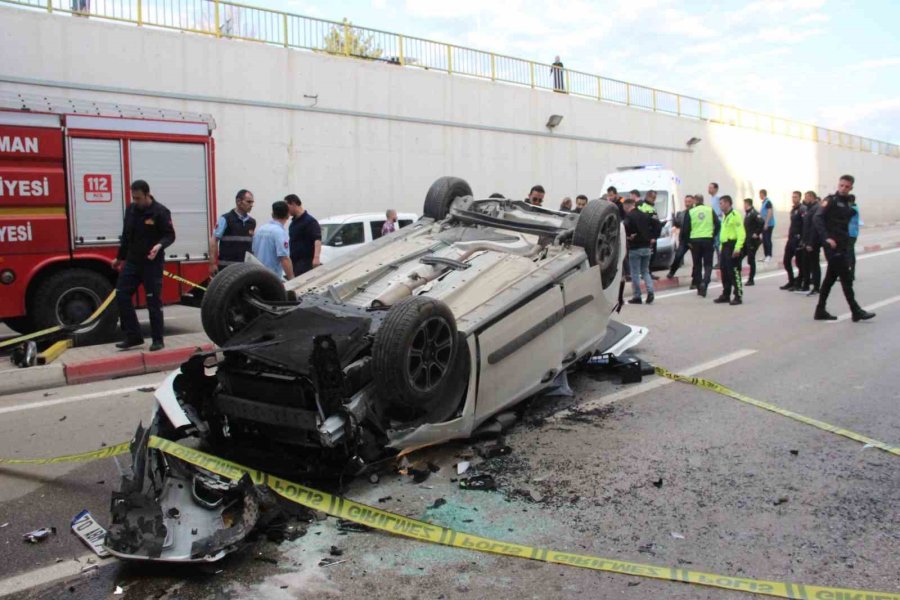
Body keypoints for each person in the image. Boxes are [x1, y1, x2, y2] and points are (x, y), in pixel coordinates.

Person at [113, 180, 175, 352]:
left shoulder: (160, 212)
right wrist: (119, 258)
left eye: (138, 198)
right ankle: (133, 336)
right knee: (122, 294)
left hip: (151, 264)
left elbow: (170, 235)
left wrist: (159, 246)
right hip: (132, 262)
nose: (136, 201)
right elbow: (126, 236)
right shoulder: (131, 210)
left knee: (153, 301)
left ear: (148, 195)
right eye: (133, 197)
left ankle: (157, 340)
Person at [813, 175, 874, 322]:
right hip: (832, 246)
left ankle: (820, 310)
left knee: (830, 279)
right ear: (838, 185)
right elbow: (817, 218)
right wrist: (826, 238)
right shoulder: (831, 200)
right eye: (841, 185)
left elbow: (845, 221)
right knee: (846, 278)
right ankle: (856, 310)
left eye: (847, 187)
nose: (843, 188)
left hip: (843, 245)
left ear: (851, 188)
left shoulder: (847, 203)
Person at [682, 194, 720, 297]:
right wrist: (713, 234)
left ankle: (699, 287)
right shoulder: (709, 210)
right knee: (708, 264)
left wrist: (688, 241)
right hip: (708, 239)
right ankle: (705, 282)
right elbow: (718, 224)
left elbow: (685, 229)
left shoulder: (691, 211)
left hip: (695, 240)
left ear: (695, 201)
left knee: (697, 264)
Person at [211, 189, 256, 274]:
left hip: (244, 269)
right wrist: (212, 263)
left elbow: (251, 246)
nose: (251, 205)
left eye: (252, 202)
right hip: (227, 269)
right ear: (238, 201)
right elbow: (214, 240)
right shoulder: (225, 219)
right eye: (248, 202)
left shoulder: (252, 222)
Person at [713, 196, 745, 305]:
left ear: (727, 203)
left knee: (734, 272)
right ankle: (726, 294)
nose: (720, 205)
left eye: (721, 203)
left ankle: (738, 295)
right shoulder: (725, 216)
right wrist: (722, 247)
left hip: (732, 245)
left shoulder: (735, 216)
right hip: (725, 246)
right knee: (725, 272)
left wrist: (737, 248)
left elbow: (741, 233)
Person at [622, 198, 655, 304]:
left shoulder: (629, 216)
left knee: (635, 273)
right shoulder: (644, 215)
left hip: (635, 248)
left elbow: (624, 227)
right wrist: (653, 236)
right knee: (645, 271)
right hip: (646, 246)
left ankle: (637, 296)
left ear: (626, 206)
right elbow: (657, 224)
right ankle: (650, 291)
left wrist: (628, 236)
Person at [252, 201, 294, 280]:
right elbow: (284, 258)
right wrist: (292, 278)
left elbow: (253, 252)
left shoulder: (260, 229)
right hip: (272, 278)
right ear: (288, 215)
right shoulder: (280, 232)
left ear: (272, 214)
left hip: (257, 275)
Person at [285, 194, 322, 275]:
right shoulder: (293, 223)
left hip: (306, 263)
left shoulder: (310, 221)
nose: (286, 210)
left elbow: (317, 239)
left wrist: (316, 258)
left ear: (294, 204)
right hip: (295, 263)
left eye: (287, 206)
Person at [780, 191, 804, 291]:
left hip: (798, 239)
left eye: (796, 197)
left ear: (800, 198)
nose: (794, 199)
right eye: (793, 197)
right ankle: (791, 281)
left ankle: (799, 283)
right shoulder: (793, 209)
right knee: (786, 261)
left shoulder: (802, 209)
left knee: (799, 263)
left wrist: (803, 239)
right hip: (791, 238)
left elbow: (805, 225)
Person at [666, 194, 694, 279]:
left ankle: (695, 276)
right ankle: (672, 272)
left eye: (689, 202)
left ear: (693, 202)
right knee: (678, 257)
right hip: (684, 240)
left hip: (693, 240)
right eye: (686, 202)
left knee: (696, 260)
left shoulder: (695, 213)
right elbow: (677, 224)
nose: (687, 203)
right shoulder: (682, 213)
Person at [801, 191, 821, 295]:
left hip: (813, 242)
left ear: (812, 197)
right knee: (805, 263)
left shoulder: (816, 208)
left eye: (806, 197)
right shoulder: (809, 208)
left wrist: (810, 243)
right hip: (807, 240)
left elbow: (814, 228)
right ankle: (806, 285)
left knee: (814, 265)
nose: (804, 199)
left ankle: (817, 287)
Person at [742, 198, 764, 285]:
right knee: (740, 256)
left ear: (747, 204)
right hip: (747, 240)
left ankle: (751, 279)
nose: (743, 206)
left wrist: (757, 233)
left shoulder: (754, 213)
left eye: (744, 204)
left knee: (751, 259)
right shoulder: (748, 214)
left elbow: (761, 222)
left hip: (752, 241)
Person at [759, 189, 775, 262]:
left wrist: (766, 223)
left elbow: (770, 212)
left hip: (768, 224)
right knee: (764, 240)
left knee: (767, 239)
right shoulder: (764, 202)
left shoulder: (768, 202)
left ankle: (769, 255)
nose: (759, 196)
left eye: (760, 194)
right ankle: (766, 255)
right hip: (764, 224)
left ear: (763, 194)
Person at [709, 182, 722, 267]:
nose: (709, 189)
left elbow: (721, 207)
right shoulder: (712, 198)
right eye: (709, 188)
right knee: (715, 243)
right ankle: (719, 261)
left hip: (718, 221)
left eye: (711, 188)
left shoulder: (718, 197)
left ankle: (721, 262)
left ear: (716, 189)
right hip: (713, 221)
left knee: (718, 242)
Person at [848, 198, 860, 281]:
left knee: (850, 254)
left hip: (851, 234)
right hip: (850, 233)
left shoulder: (853, 209)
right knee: (849, 254)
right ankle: (849, 274)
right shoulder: (853, 208)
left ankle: (851, 274)